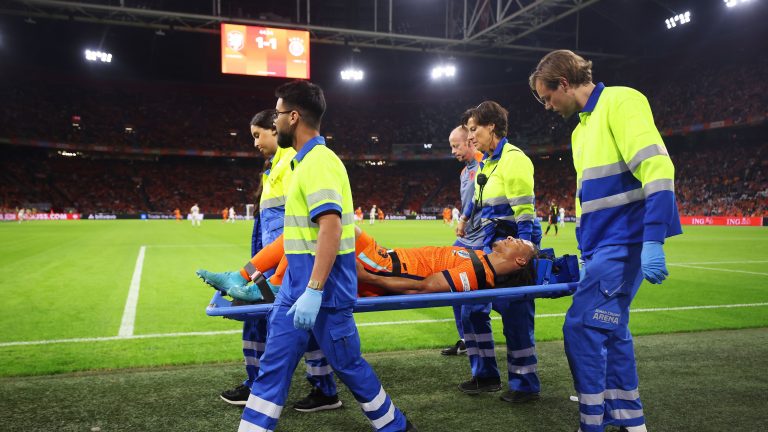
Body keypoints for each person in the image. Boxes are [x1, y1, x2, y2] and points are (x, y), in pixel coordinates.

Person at [238, 80, 414, 431]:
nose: (274, 123)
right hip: (296, 290)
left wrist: (315, 289)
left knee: (348, 365)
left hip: (324, 293)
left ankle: (397, 427)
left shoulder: (319, 162)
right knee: (274, 366)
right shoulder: (304, 163)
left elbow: (330, 227)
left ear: (293, 116)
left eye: (277, 114)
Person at [529, 49, 681, 432]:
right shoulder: (581, 129)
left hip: (624, 243)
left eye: (548, 97)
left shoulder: (621, 101)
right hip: (603, 246)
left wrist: (654, 239)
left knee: (581, 327)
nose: (548, 106)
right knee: (612, 330)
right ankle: (631, 422)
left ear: (564, 83)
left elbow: (658, 167)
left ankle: (592, 422)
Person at [216, 109, 340, 413]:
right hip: (274, 260)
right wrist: (250, 269)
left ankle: (305, 388)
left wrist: (272, 271)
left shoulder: (292, 163)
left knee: (292, 321)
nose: (255, 142)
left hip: (287, 262)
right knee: (273, 320)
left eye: (258, 135)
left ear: (275, 129)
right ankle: (279, 384)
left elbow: (296, 224)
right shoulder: (274, 167)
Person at [455, 102, 543, 404]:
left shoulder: (514, 160)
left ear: (492, 126)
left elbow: (525, 215)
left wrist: (525, 255)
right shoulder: (488, 163)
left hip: (513, 242)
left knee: (515, 315)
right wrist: (465, 218)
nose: (470, 136)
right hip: (490, 243)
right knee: (471, 308)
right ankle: (486, 375)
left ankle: (525, 384)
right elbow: (478, 198)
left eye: (474, 129)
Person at [199, 226, 538, 300]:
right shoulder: (478, 256)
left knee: (325, 225)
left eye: (517, 242)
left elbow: (422, 287)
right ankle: (246, 277)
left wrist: (367, 277)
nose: (510, 238)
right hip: (385, 261)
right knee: (304, 229)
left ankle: (267, 288)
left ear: (519, 259)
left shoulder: (477, 273)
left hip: (383, 266)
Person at [442, 125, 484, 356]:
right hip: (468, 239)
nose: (453, 151)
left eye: (456, 145)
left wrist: (464, 219)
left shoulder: (483, 166)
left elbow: (478, 200)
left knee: (470, 292)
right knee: (451, 280)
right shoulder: (464, 172)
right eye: (451, 146)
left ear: (469, 141)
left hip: (481, 239)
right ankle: (465, 338)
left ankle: (474, 339)